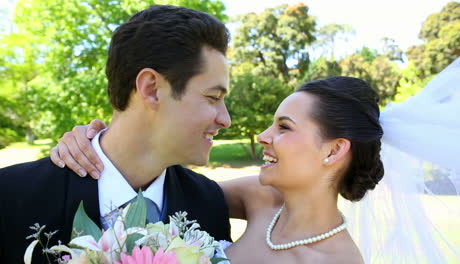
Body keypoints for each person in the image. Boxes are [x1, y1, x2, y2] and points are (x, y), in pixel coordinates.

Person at [54, 58, 460, 263]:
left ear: (334, 150)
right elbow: (157, 184)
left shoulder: (339, 260)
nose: (264, 136)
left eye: (284, 127)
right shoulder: (256, 197)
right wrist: (94, 142)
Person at [0, 5, 233, 263]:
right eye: (213, 97)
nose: (225, 120)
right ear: (152, 89)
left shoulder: (209, 204)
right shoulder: (5, 197)